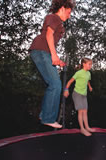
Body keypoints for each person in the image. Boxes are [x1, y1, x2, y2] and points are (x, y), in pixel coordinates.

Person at [29, 0, 75, 128]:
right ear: (62, 8)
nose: (69, 16)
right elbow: (49, 34)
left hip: (42, 52)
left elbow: (50, 41)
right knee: (55, 85)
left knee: (52, 85)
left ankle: (44, 115)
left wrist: (56, 59)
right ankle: (48, 118)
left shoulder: (57, 22)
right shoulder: (54, 18)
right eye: (69, 12)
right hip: (41, 51)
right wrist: (54, 56)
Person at [64, 58, 95, 136]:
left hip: (84, 94)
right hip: (77, 93)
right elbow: (70, 81)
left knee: (85, 111)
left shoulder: (88, 73)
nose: (90, 66)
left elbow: (87, 80)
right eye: (89, 64)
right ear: (84, 64)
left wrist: (90, 86)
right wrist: (66, 90)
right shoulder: (78, 73)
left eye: (91, 64)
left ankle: (87, 127)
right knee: (81, 111)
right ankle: (82, 129)